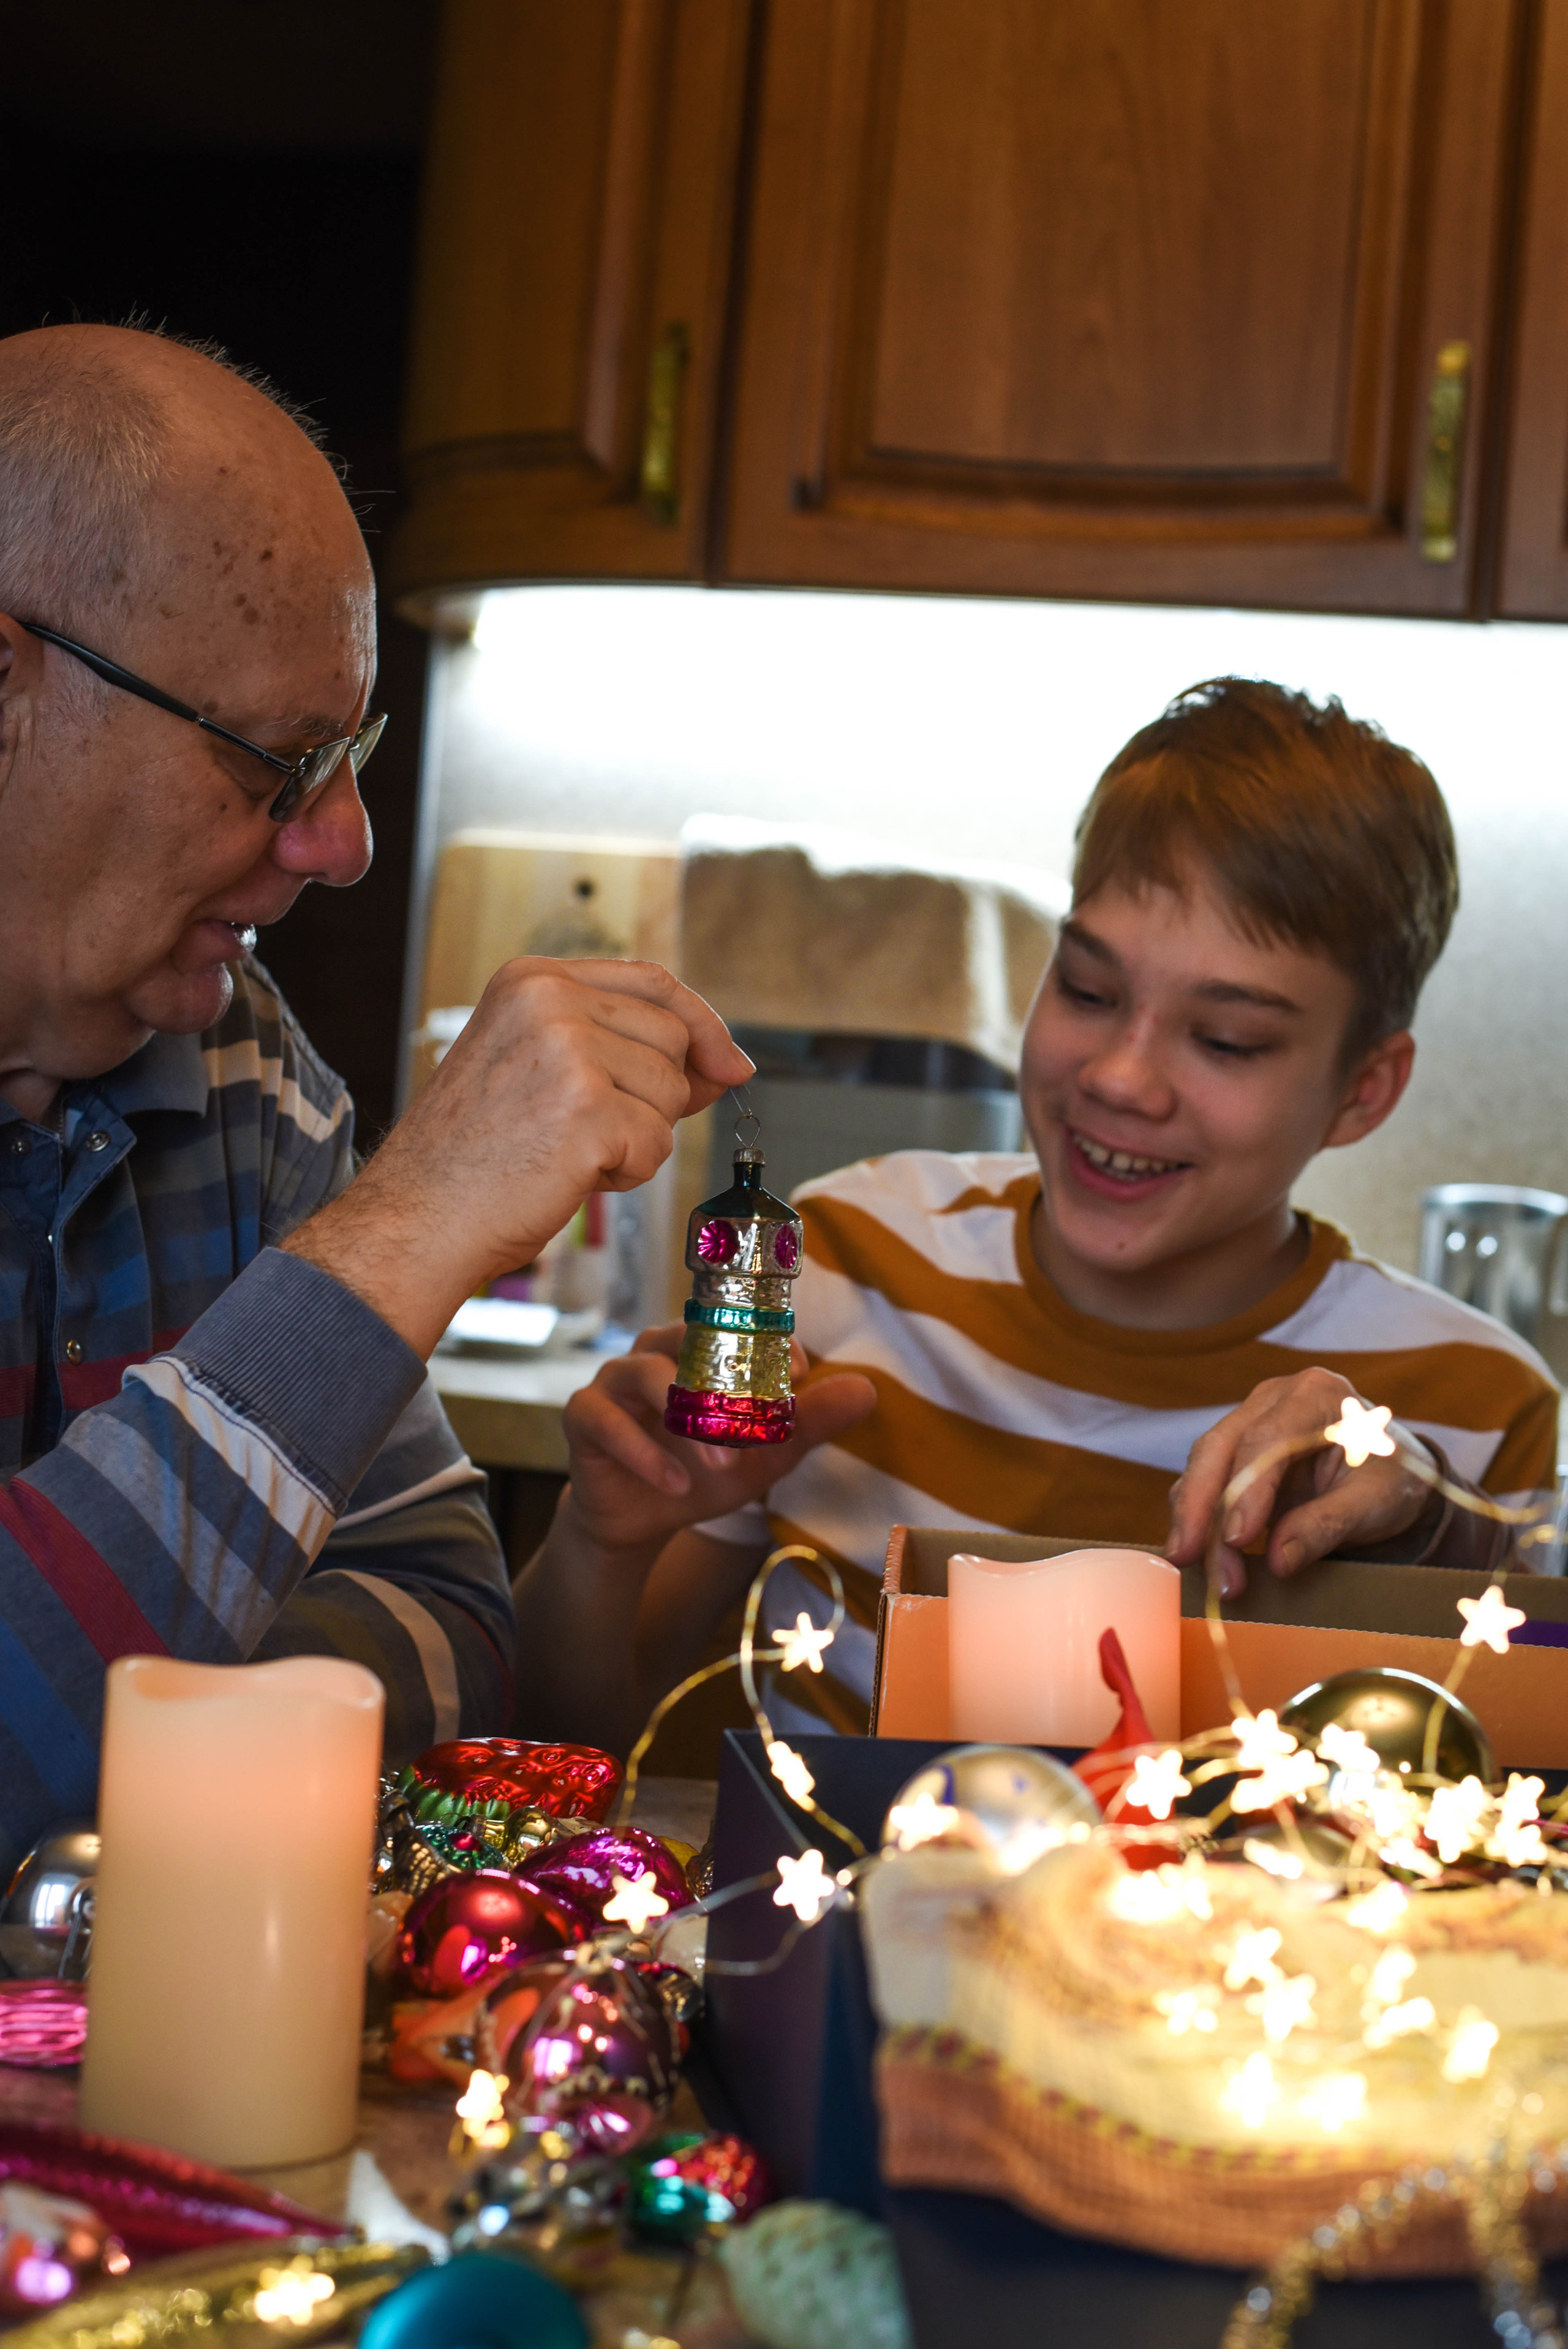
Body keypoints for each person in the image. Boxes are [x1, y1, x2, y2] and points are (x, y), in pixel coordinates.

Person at [0, 322, 750, 1869]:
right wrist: (404, 1230)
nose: (341, 842)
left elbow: (449, 1614)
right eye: (279, 760)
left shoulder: (231, 1060)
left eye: (352, 752)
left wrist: (102, 1734)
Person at [514, 679, 1559, 1748]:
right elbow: (574, 1735)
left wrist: (1430, 1531)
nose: (1120, 1077)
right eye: (1090, 991)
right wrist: (602, 1543)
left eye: (1228, 1040)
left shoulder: (1473, 1409)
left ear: (1363, 1090)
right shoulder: (844, 1265)